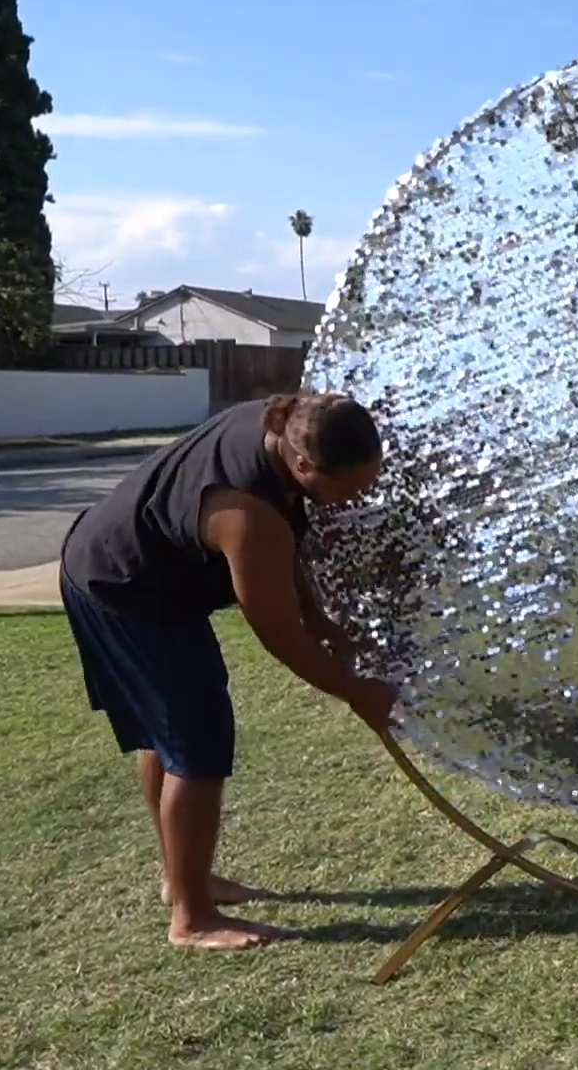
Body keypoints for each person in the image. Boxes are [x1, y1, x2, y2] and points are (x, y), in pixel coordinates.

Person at [59, 392, 400, 951]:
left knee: (169, 732)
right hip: (123, 589)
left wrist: (324, 622)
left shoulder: (284, 425)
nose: (359, 497)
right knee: (198, 743)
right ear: (306, 467)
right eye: (352, 487)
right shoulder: (246, 513)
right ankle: (192, 919)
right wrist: (355, 691)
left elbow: (288, 545)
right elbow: (278, 635)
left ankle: (181, 878)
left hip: (126, 568)